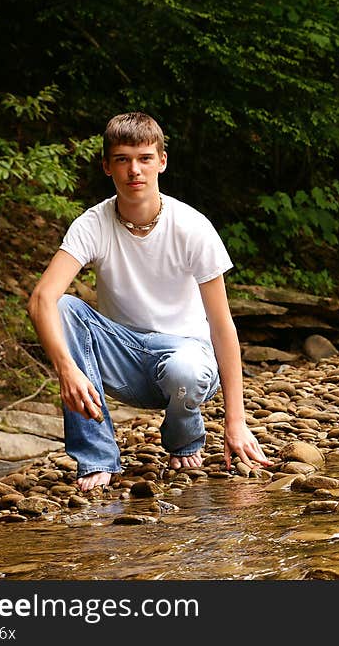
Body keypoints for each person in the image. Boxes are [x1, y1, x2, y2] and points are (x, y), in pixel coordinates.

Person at [27, 111, 272, 492]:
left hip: (185, 360)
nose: (134, 171)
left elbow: (222, 325)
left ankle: (183, 436)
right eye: (122, 160)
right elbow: (41, 298)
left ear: (162, 161)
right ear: (107, 167)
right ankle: (97, 457)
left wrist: (235, 422)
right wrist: (67, 370)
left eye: (144, 158)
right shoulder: (93, 223)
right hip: (123, 357)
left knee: (184, 371)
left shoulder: (192, 227)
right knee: (63, 309)